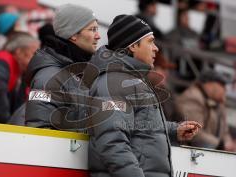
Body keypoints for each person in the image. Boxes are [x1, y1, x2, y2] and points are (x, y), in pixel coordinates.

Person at [87, 14, 201, 177]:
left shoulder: (129, 80)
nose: (156, 48)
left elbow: (138, 124)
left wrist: (173, 130)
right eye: (150, 41)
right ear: (133, 46)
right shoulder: (114, 82)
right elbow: (113, 143)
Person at [25, 4, 100, 129]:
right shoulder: (49, 77)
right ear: (73, 35)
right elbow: (39, 133)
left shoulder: (78, 71)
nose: (98, 36)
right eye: (92, 30)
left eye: (97, 30)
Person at [176, 70, 236, 151]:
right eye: (222, 85)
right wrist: (222, 144)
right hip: (187, 154)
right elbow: (194, 133)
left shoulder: (218, 103)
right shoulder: (192, 98)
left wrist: (229, 143)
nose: (225, 89)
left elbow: (224, 132)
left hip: (208, 154)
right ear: (210, 84)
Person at [0, 32, 39, 123]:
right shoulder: (2, 63)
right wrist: (7, 124)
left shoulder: (21, 71)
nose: (37, 58)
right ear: (19, 52)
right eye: (34, 53)